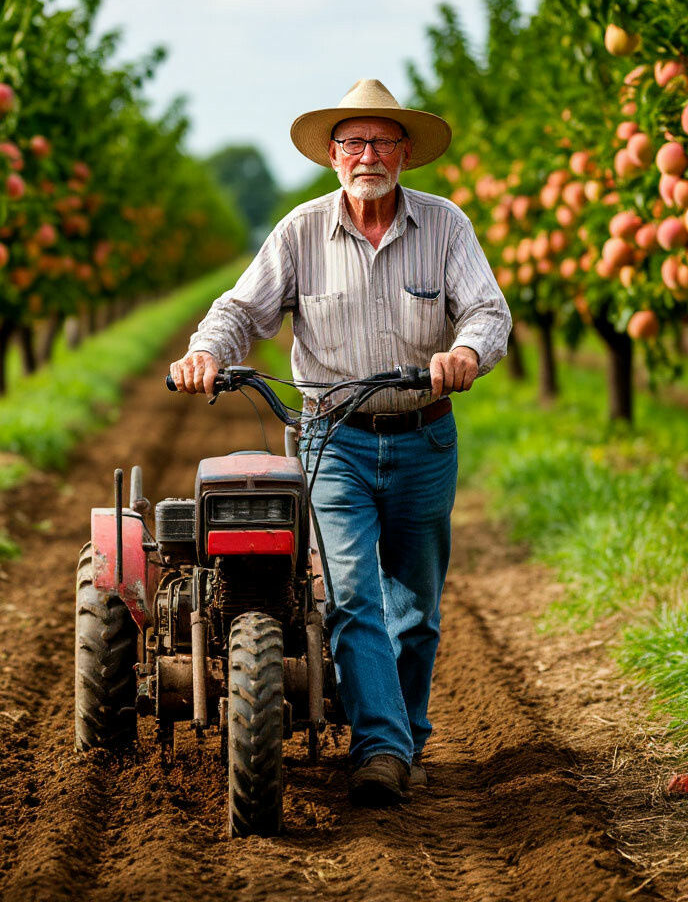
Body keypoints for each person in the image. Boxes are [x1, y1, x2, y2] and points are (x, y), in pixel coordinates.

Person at [169, 78, 512, 806]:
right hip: (333, 441)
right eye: (353, 142)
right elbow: (241, 309)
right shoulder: (299, 232)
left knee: (417, 612)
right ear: (332, 155)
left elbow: (487, 310)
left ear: (405, 153)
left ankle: (402, 733)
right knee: (354, 595)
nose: (367, 155)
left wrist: (468, 354)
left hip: (424, 437)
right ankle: (381, 747)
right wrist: (206, 350)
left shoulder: (446, 226)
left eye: (382, 141)